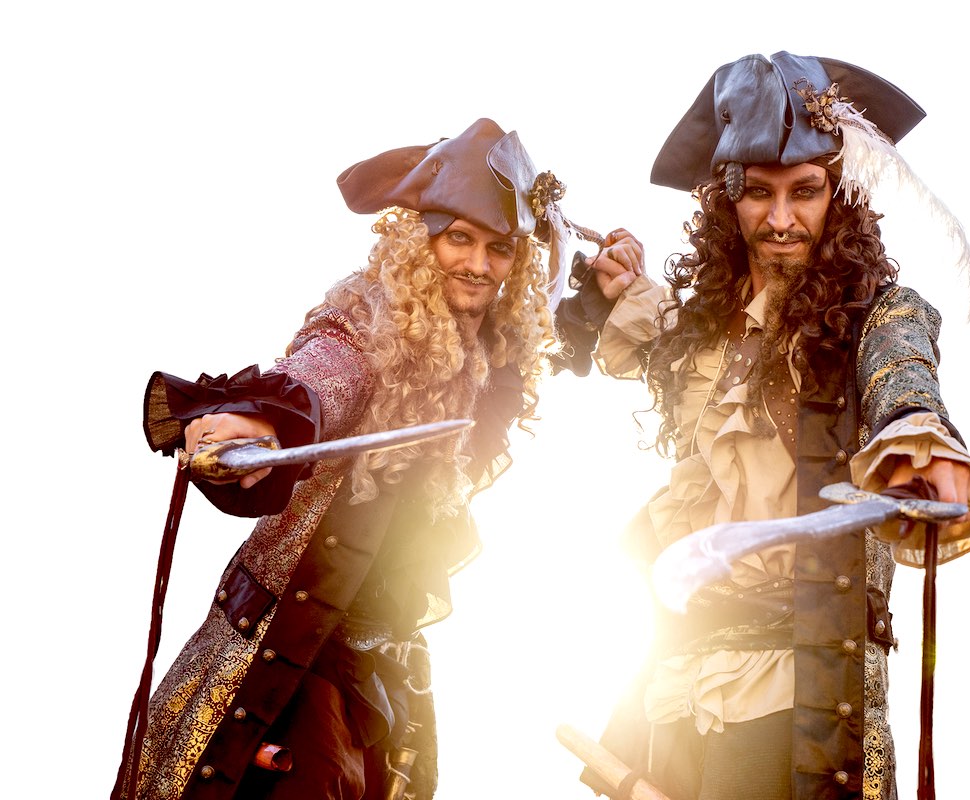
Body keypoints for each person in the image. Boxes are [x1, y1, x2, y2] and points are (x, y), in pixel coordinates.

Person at [112, 117, 643, 800]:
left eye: (499, 249)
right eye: (459, 238)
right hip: (292, 653)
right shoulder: (369, 323)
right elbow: (318, 380)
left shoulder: (488, 341)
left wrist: (592, 300)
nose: (478, 266)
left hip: (383, 661)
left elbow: (522, 356)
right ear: (421, 238)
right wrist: (256, 422)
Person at [578, 53, 970, 800]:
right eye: (758, 194)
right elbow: (631, 328)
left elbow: (902, 375)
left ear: (839, 194)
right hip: (670, 691)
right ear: (726, 200)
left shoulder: (878, 317)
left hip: (791, 692)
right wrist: (614, 279)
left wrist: (920, 441)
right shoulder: (699, 332)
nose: (780, 221)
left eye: (804, 192)